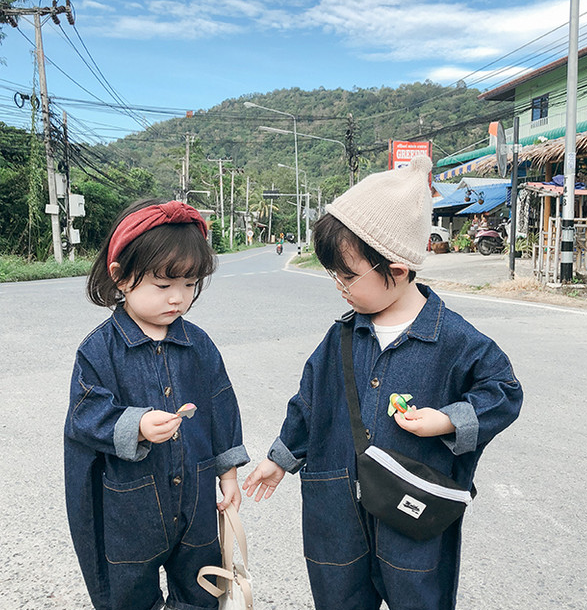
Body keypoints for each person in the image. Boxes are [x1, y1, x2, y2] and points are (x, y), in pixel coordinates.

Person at [243, 156, 523, 610]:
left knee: (418, 595)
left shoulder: (454, 340)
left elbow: (505, 393)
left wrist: (448, 420)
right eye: (333, 273)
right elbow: (310, 401)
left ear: (396, 269)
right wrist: (281, 458)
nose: (338, 285)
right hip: (336, 512)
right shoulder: (341, 336)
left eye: (348, 275)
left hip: (412, 519)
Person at [64, 199, 249, 610]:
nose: (177, 298)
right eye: (164, 286)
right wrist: (136, 423)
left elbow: (222, 407)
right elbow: (84, 415)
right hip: (129, 507)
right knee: (129, 592)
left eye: (189, 284)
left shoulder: (198, 344)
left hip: (196, 499)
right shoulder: (99, 350)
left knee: (201, 587)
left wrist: (230, 476)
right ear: (121, 277)